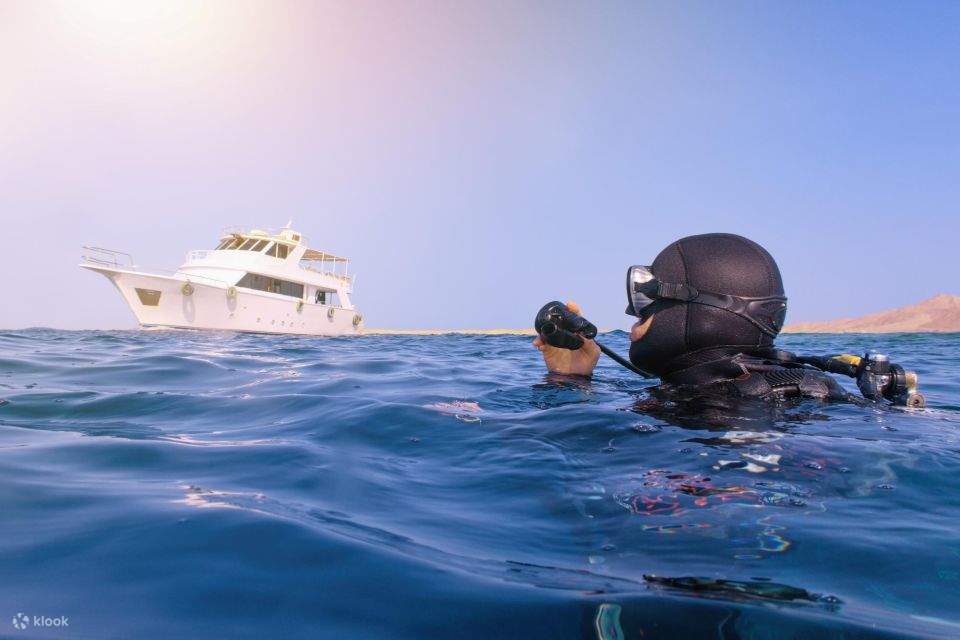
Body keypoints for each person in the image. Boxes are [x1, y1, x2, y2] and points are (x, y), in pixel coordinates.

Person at [533, 233, 851, 402]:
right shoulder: (807, 388)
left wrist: (565, 388)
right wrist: (572, 374)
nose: (633, 310)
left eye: (647, 293)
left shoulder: (709, 410)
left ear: (696, 311)